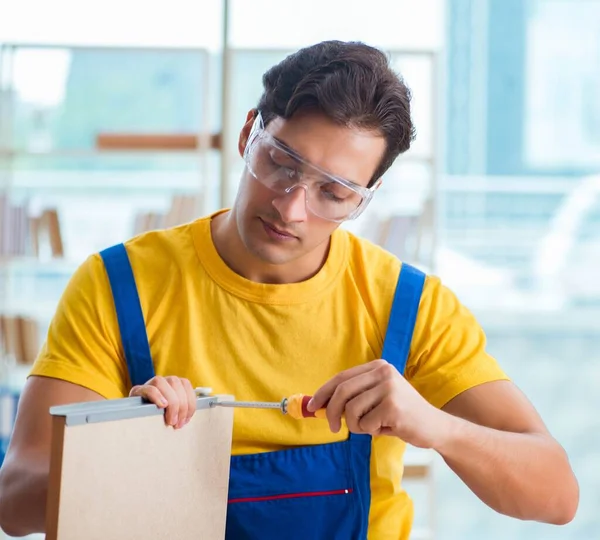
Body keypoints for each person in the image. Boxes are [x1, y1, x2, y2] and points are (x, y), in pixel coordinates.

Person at [0, 40, 578, 539]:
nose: (291, 207)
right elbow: (16, 501)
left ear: (365, 200)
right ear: (251, 132)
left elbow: (556, 495)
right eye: (282, 163)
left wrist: (434, 425)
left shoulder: (408, 306)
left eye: (334, 193)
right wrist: (127, 445)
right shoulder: (120, 285)